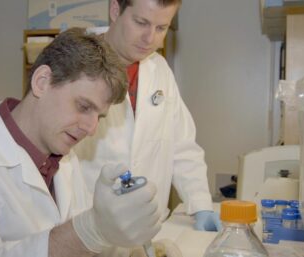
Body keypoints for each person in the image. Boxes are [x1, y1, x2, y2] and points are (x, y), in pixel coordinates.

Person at [0, 28, 162, 257]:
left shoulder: (64, 160)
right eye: (84, 106)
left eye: (99, 116)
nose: (92, 128)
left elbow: (80, 245)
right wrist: (92, 229)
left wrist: (126, 250)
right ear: (42, 82)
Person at [73, 0, 222, 254]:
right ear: (115, 10)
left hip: (148, 228)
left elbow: (182, 145)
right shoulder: (76, 62)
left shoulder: (159, 70)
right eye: (141, 22)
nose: (149, 38)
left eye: (161, 28)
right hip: (88, 229)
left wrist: (200, 203)